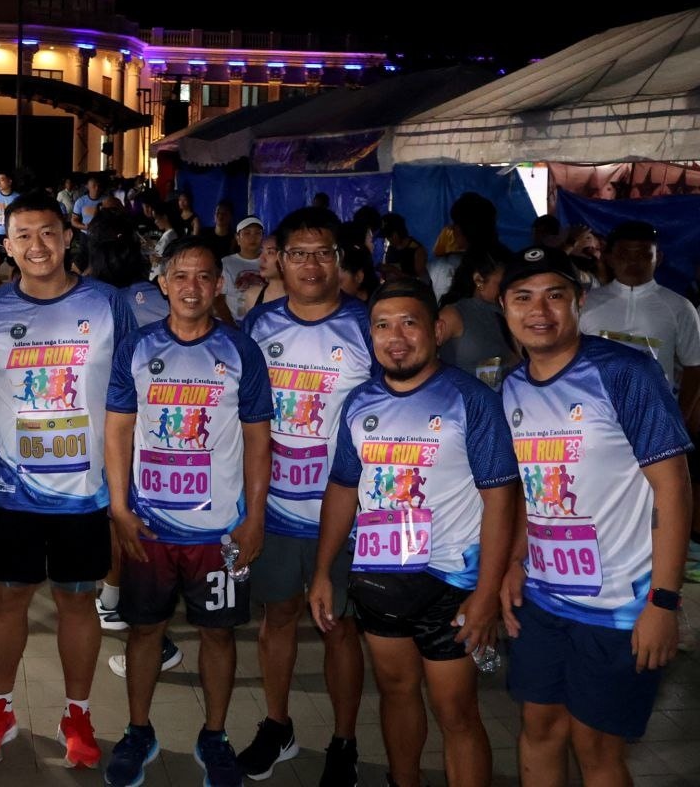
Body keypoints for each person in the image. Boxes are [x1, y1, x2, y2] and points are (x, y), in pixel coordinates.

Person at [309, 278, 518, 787]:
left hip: (450, 583)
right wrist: (322, 571)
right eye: (383, 325)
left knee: (456, 710)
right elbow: (343, 487)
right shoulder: (359, 402)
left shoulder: (471, 400)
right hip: (380, 576)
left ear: (437, 330)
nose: (395, 337)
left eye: (409, 323)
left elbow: (501, 500)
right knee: (396, 692)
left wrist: (487, 593)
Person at [498, 246, 693, 786]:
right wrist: (515, 561)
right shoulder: (512, 386)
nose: (539, 311)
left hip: (619, 606)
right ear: (504, 308)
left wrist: (664, 601)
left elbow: (674, 488)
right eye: (523, 297)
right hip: (542, 599)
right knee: (538, 726)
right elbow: (529, 489)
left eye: (555, 295)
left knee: (596, 745)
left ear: (579, 302)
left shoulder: (625, 372)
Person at [0, 193, 137, 769]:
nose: (36, 246)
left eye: (47, 233)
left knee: (78, 599)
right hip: (12, 491)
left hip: (85, 492)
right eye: (23, 235)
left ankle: (77, 714)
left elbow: (125, 401)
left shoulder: (108, 304)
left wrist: (121, 495)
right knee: (7, 599)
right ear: (6, 246)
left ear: (67, 238)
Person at [103, 236, 272, 787]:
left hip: (219, 532)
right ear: (163, 283)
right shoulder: (137, 347)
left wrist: (254, 517)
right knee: (144, 631)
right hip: (149, 527)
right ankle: (138, 731)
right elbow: (118, 431)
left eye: (203, 276)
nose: (192, 287)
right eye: (180, 275)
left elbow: (258, 440)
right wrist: (119, 507)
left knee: (218, 635)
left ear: (219, 284)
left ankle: (214, 736)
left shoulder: (241, 351)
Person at [238, 207, 376, 785]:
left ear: (340, 261)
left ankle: (344, 741)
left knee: (339, 625)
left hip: (346, 513)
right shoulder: (259, 325)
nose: (311, 265)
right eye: (298, 253)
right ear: (279, 260)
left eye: (324, 253)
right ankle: (277, 724)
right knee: (278, 617)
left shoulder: (369, 325)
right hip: (275, 508)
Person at [83, 209, 182, 675]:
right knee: (134, 513)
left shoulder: (96, 300)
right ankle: (118, 600)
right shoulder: (160, 298)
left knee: (123, 514)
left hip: (121, 426)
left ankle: (136, 616)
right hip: (166, 426)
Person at [579, 221, 700, 405]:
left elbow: (694, 366)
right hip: (597, 410)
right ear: (609, 258)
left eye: (644, 254)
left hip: (654, 411)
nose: (633, 261)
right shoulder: (586, 303)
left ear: (658, 258)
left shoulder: (679, 307)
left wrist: (678, 416)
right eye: (624, 254)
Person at [437, 244, 520, 391]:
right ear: (479, 280)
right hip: (462, 401)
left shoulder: (509, 313)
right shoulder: (453, 315)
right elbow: (420, 354)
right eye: (503, 282)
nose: (509, 287)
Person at [427, 193, 498, 302]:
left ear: (461, 229)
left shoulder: (448, 265)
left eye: (455, 224)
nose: (452, 229)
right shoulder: (505, 257)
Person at [218, 216, 264, 325]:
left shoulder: (270, 261)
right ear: (237, 237)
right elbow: (218, 299)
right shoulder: (227, 263)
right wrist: (232, 326)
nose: (253, 237)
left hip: (264, 323)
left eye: (257, 233)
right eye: (247, 233)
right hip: (237, 323)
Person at [242, 233, 286, 315]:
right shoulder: (252, 295)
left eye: (270, 252)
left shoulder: (302, 297)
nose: (261, 258)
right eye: (261, 251)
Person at [378, 213, 427, 282]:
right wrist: (384, 273)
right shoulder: (391, 249)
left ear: (398, 233)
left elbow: (421, 283)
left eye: (389, 236)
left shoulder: (417, 251)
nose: (388, 239)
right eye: (386, 237)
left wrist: (394, 270)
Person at [147, 200, 184, 280]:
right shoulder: (170, 234)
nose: (155, 222)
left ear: (165, 217)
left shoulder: (168, 236)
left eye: (156, 218)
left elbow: (170, 258)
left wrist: (158, 259)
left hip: (160, 277)